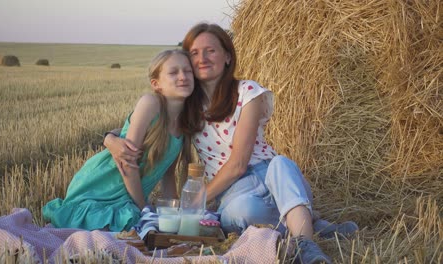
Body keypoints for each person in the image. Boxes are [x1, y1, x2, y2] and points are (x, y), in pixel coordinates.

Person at [104, 23, 358, 264]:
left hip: (270, 175)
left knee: (282, 163)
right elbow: (141, 122)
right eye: (194, 53)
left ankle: (305, 244)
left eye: (210, 50)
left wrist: (196, 200)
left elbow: (238, 163)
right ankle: (307, 220)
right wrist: (110, 138)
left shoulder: (248, 92)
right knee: (242, 213)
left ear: (227, 56)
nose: (202, 58)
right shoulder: (187, 105)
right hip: (234, 191)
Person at [43, 49, 203, 232]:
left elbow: (168, 176)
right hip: (102, 188)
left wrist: (174, 214)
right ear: (156, 84)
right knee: (130, 227)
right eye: (173, 72)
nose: (183, 76)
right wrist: (143, 209)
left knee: (147, 232)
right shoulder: (150, 103)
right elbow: (127, 164)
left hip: (128, 196)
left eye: (188, 71)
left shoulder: (184, 124)